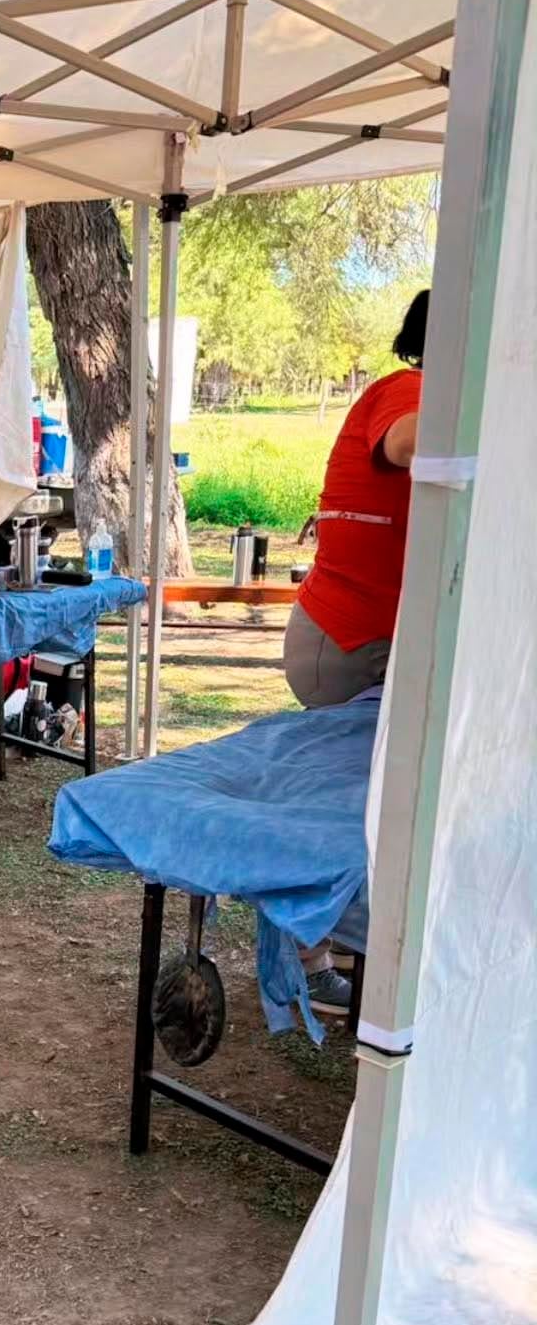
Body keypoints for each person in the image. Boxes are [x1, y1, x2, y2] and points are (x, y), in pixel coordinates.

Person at [280, 288, 427, 1015]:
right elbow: (409, 443)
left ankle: (325, 960)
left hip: (360, 637)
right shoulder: (409, 390)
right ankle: (311, 966)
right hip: (347, 641)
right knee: (339, 817)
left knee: (351, 810)